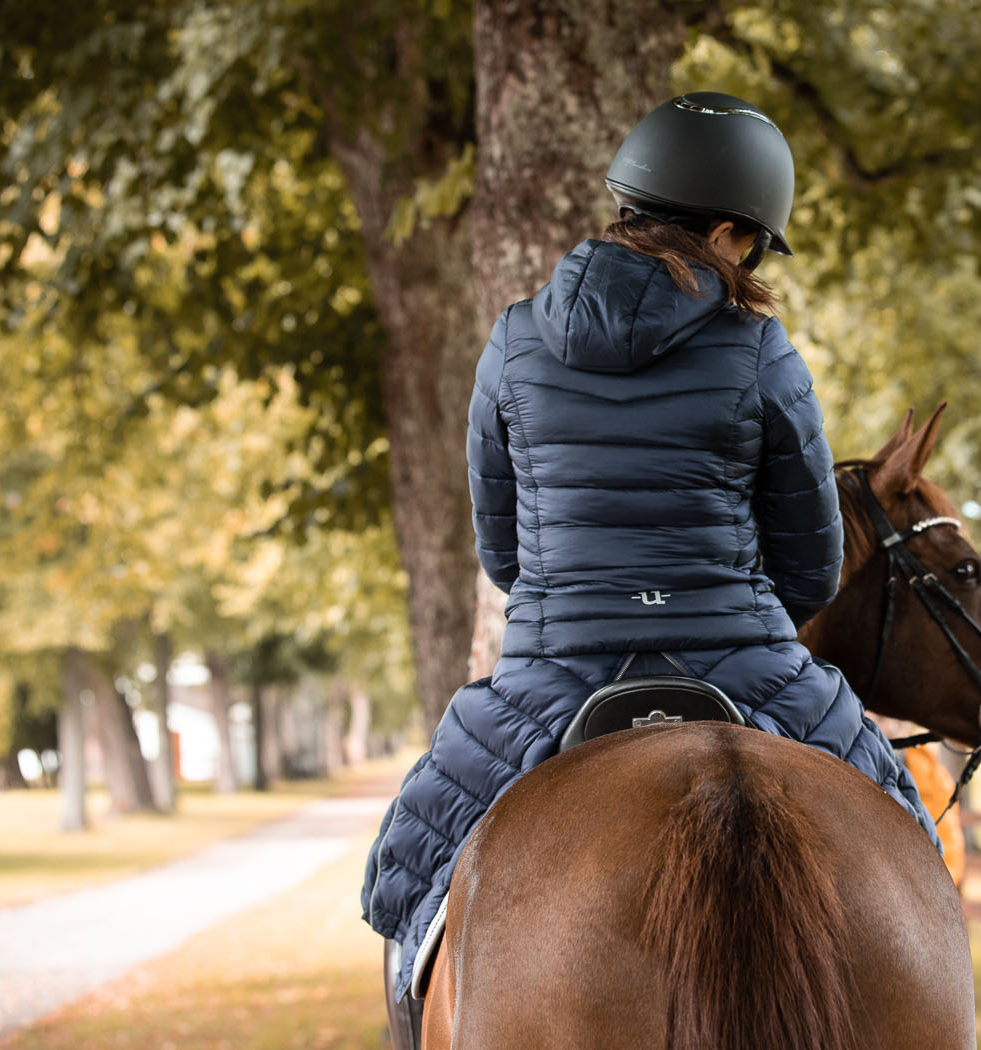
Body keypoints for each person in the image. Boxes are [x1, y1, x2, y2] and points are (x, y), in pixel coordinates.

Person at [361, 91, 938, 1017]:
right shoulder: (758, 349)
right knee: (905, 836)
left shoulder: (513, 340)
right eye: (749, 242)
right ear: (725, 230)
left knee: (411, 869)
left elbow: (500, 548)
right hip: (745, 659)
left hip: (556, 665)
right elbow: (809, 565)